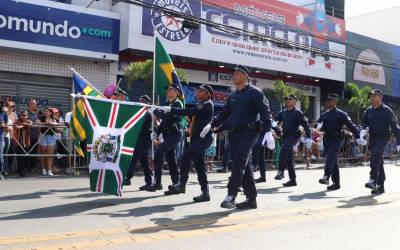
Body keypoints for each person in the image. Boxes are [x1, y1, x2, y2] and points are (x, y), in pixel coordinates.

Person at [204, 65, 273, 209]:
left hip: (250, 133)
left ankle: (231, 195)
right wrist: (211, 124)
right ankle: (251, 199)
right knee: (244, 165)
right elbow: (224, 113)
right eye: (233, 74)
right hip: (234, 134)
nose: (233, 76)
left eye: (237, 74)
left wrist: (268, 132)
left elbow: (266, 112)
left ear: (245, 76)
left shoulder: (256, 93)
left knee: (238, 162)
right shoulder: (233, 96)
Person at [159, 84, 214, 202]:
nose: (197, 92)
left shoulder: (207, 104)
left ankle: (181, 184)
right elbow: (191, 114)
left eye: (200, 91)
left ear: (207, 94)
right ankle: (205, 193)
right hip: (197, 139)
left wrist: (172, 109)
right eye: (198, 90)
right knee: (200, 167)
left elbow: (189, 111)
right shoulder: (201, 104)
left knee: (186, 156)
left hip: (203, 139)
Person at [316, 93, 361, 190]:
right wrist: (316, 127)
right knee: (333, 161)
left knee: (331, 156)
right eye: (327, 100)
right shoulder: (324, 114)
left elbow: (351, 125)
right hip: (327, 139)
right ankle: (336, 183)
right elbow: (317, 124)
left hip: (337, 139)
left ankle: (326, 176)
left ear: (335, 101)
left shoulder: (341, 114)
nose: (328, 102)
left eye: (331, 100)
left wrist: (358, 136)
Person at [361, 89, 400, 195]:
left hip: (383, 136)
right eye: (370, 96)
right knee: (378, 161)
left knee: (376, 154)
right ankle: (380, 186)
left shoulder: (387, 110)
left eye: (374, 96)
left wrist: (399, 143)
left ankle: (373, 179)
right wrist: (362, 131)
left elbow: (395, 126)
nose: (372, 98)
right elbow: (364, 123)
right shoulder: (368, 110)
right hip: (373, 137)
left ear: (380, 97)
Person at [147, 85, 184, 192]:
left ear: (176, 93)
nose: (169, 91)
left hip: (175, 133)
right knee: (171, 159)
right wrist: (157, 132)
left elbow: (169, 117)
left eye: (171, 90)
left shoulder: (177, 103)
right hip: (168, 134)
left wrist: (155, 111)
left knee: (159, 153)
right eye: (168, 90)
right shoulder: (167, 104)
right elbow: (163, 122)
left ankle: (157, 183)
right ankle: (176, 183)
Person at [274, 95, 312, 187]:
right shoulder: (283, 113)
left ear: (295, 102)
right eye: (287, 100)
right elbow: (274, 121)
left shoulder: (298, 113)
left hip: (294, 135)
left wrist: (309, 137)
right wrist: (274, 127)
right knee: (289, 159)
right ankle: (292, 180)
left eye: (290, 100)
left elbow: (306, 125)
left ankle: (281, 171)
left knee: (284, 148)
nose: (288, 101)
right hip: (286, 136)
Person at [124, 95, 154, 190]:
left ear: (146, 103)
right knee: (144, 161)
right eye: (140, 100)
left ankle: (128, 178)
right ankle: (149, 181)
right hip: (140, 140)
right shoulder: (140, 112)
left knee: (134, 158)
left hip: (145, 140)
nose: (140, 102)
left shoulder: (147, 113)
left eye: (142, 101)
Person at [36, 107, 59, 176]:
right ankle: (43, 169)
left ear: (50, 113)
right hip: (43, 136)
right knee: (42, 154)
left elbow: (58, 124)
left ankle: (49, 170)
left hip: (51, 137)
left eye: (47, 111)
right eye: (45, 111)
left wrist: (53, 124)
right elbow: (37, 123)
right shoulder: (41, 118)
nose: (46, 112)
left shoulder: (54, 119)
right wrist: (45, 124)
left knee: (50, 155)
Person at [14, 110, 33, 177]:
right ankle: (20, 169)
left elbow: (31, 125)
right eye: (21, 115)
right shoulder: (17, 121)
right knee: (19, 157)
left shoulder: (29, 121)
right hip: (18, 141)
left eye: (24, 115)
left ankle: (22, 170)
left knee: (23, 157)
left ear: (27, 116)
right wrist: (23, 125)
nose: (23, 116)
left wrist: (24, 124)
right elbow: (16, 127)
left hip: (26, 142)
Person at [27, 99, 39, 171]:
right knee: (27, 152)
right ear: (30, 104)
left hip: (36, 136)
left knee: (34, 151)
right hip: (28, 136)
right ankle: (27, 167)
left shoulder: (36, 114)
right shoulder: (26, 113)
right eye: (34, 104)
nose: (36, 105)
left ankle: (33, 167)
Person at [0, 101, 8, 180]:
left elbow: (7, 125)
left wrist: (3, 125)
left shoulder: (4, 113)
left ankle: (0, 172)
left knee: (0, 154)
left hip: (0, 135)